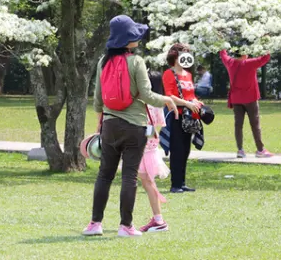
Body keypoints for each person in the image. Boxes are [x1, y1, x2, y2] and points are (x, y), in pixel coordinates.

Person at [82, 15, 195, 238]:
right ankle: (126, 226)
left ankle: (95, 224)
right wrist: (167, 100)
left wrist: (100, 121)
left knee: (104, 175)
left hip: (110, 125)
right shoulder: (136, 62)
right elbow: (146, 95)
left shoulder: (103, 62)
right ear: (128, 40)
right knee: (129, 177)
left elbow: (97, 98)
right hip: (134, 127)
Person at [162, 44, 204, 193]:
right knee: (177, 150)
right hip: (176, 115)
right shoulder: (169, 73)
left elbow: (191, 94)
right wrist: (186, 103)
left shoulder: (188, 74)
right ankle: (175, 185)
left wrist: (197, 102)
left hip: (189, 117)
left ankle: (182, 182)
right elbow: (169, 95)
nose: (187, 55)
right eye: (184, 52)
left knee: (186, 149)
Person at [220, 48, 273, 158]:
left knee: (238, 125)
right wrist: (266, 45)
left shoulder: (230, 63)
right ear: (244, 55)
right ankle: (260, 150)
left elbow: (223, 54)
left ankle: (240, 150)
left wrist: (222, 45)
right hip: (250, 98)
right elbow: (265, 58)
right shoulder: (250, 63)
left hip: (236, 99)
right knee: (255, 124)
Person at [136, 75, 171, 233]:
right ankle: (157, 219)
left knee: (148, 182)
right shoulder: (157, 104)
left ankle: (158, 220)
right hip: (151, 147)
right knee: (147, 182)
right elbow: (159, 125)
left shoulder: (143, 103)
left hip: (143, 148)